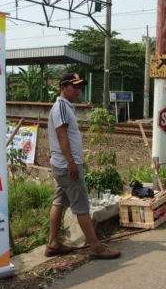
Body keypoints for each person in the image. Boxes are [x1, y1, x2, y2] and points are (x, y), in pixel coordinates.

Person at [46, 73, 121, 259]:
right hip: (66, 165)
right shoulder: (62, 107)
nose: (78, 90)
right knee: (81, 206)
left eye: (79, 87)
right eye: (74, 86)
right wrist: (72, 162)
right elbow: (62, 136)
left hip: (62, 164)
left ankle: (53, 243)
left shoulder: (64, 107)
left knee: (59, 202)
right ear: (63, 87)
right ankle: (95, 247)